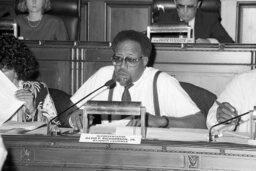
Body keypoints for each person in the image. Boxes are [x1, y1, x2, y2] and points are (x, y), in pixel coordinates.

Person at [69, 30, 206, 130]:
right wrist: (74, 118)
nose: (122, 66)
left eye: (131, 60)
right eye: (118, 58)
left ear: (145, 61)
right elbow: (67, 112)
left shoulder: (162, 82)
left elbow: (200, 122)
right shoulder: (104, 76)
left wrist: (162, 121)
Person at [0, 34, 57, 123]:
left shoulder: (38, 90)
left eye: (3, 70)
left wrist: (32, 109)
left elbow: (54, 127)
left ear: (17, 70)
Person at [156, 0, 234, 43]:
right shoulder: (164, 18)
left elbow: (229, 42)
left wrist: (209, 42)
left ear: (198, 4)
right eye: (181, 6)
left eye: (190, 7)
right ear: (175, 2)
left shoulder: (209, 19)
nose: (185, 11)